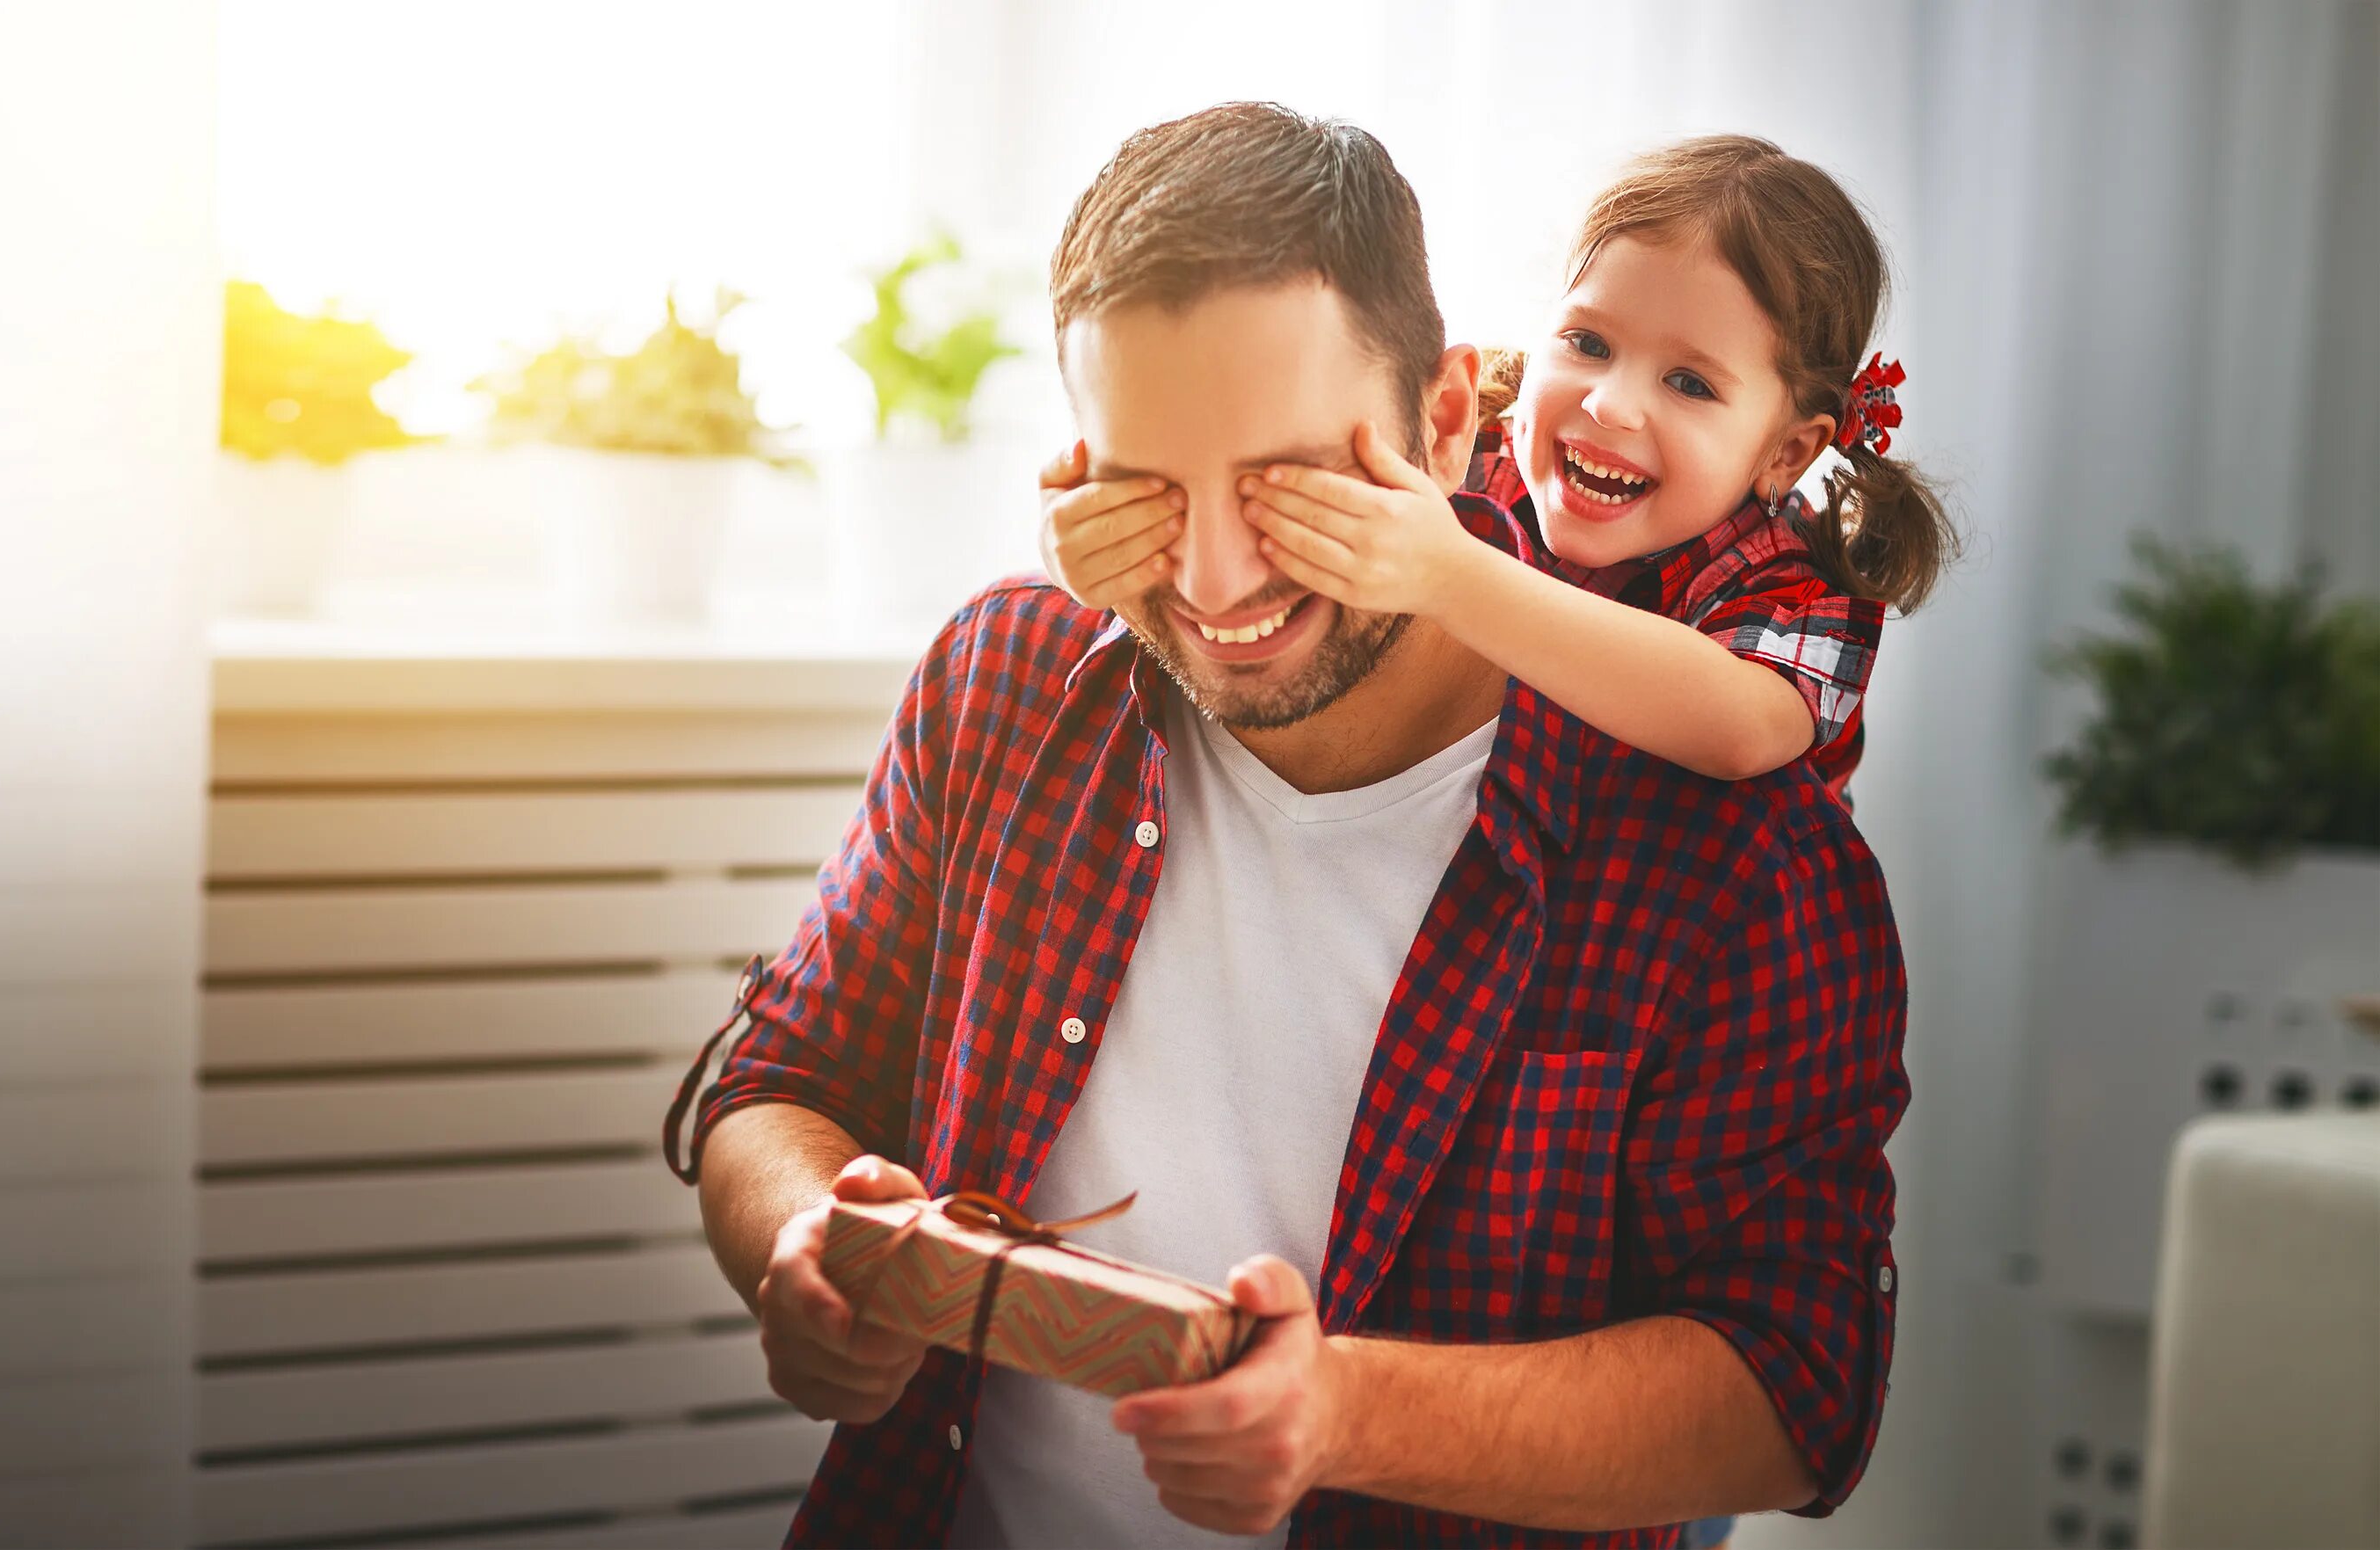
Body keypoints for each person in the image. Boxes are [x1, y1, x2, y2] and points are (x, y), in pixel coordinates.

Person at [666, 102, 1908, 1550]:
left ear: (1447, 422)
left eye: (1285, 485)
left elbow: (1800, 1386)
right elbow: (777, 1074)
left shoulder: (1740, 848)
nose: (1208, 575)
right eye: (1147, 483)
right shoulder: (1006, 681)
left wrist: (1344, 1416)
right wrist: (806, 1245)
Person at [1040, 135, 1958, 807]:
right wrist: (1094, 533)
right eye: (1589, 341)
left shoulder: (1793, 574)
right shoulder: (1473, 447)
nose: (1610, 404)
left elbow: (1741, 731)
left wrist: (1451, 575)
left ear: (1787, 450)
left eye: (1689, 382)